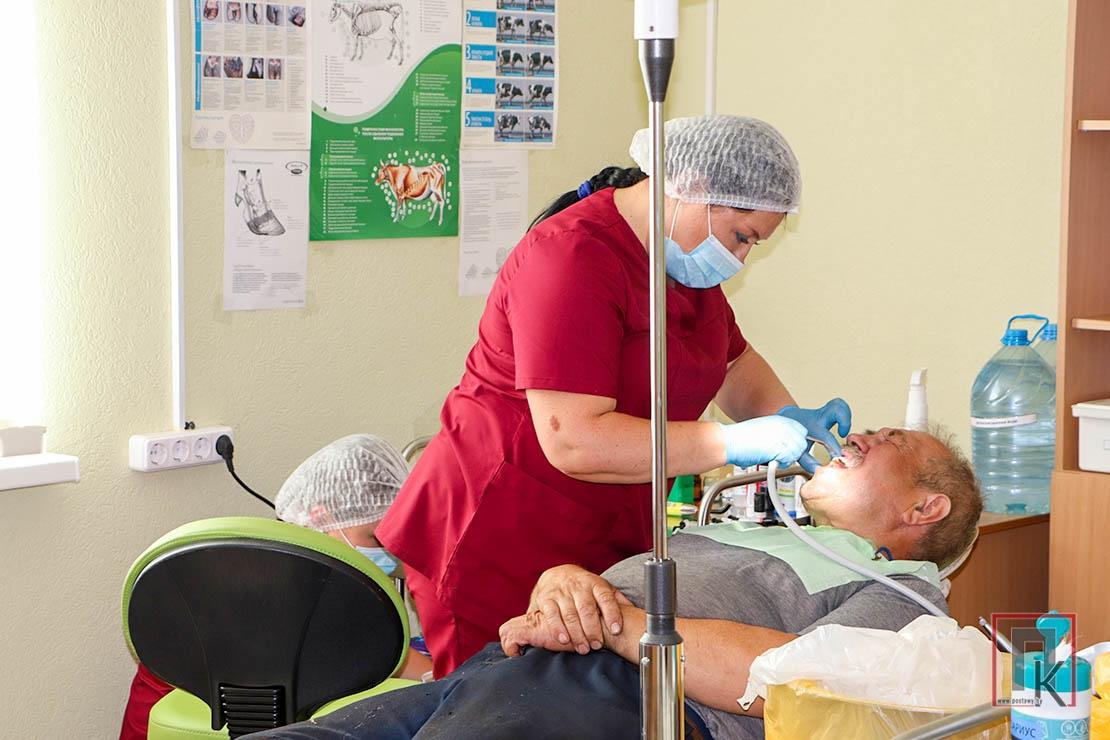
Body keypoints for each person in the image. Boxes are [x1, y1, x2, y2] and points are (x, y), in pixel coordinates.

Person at [377, 114, 853, 678]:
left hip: (601, 535)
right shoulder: (570, 257)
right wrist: (729, 443)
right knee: (495, 703)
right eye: (742, 236)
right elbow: (575, 440)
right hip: (499, 532)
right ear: (693, 189)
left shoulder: (681, 269)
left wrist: (788, 417)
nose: (741, 258)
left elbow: (731, 363)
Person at [244, 427, 983, 740]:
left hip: (637, 700)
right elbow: (600, 597)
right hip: (510, 670)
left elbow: (793, 683)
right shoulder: (735, 527)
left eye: (889, 440)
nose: (858, 437)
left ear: (926, 508)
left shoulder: (906, 589)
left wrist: (621, 625)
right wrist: (562, 582)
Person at [118, 435, 430, 740]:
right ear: (321, 515)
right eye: (375, 537)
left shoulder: (248, 567)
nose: (387, 549)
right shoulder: (324, 595)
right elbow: (414, 670)